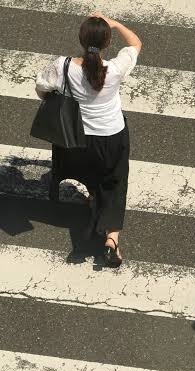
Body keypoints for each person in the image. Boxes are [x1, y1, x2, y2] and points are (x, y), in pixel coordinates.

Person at [35, 12, 142, 268]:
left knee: (85, 166)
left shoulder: (63, 66)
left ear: (81, 39)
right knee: (115, 182)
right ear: (107, 43)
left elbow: (41, 89)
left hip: (75, 136)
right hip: (112, 136)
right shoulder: (115, 68)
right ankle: (111, 240)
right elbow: (136, 43)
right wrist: (115, 24)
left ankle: (91, 194)